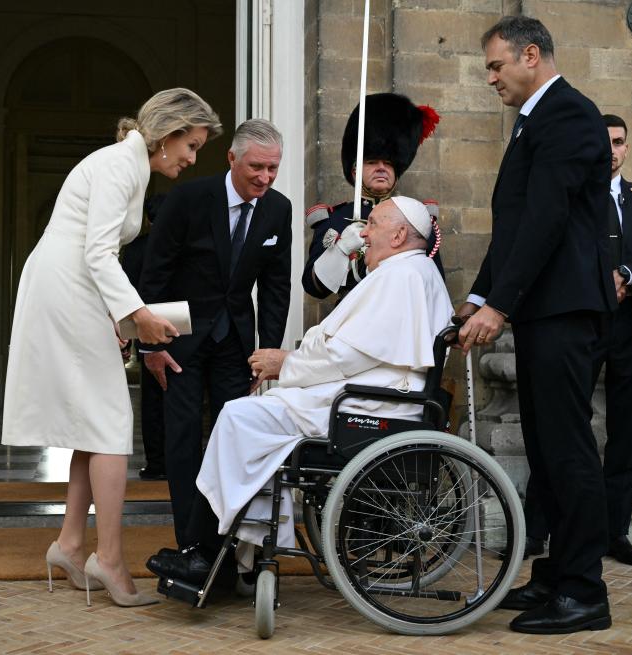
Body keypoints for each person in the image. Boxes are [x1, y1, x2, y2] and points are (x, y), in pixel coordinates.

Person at [145, 196, 453, 585]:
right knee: (252, 420)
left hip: (368, 406)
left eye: (372, 224)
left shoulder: (402, 276)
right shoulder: (410, 271)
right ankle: (236, 552)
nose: (362, 233)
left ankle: (207, 554)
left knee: (240, 417)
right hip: (370, 395)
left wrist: (286, 364)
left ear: (398, 234)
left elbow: (347, 353)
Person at [1, 88, 222, 606]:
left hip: (75, 284)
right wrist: (138, 316)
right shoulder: (121, 165)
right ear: (166, 138)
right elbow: (98, 252)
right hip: (69, 283)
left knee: (93, 422)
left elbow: (98, 256)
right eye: (191, 146)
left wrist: (122, 312)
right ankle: (111, 560)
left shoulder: (127, 165)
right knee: (111, 422)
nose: (191, 159)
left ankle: (72, 545)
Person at [456, 17, 616, 634]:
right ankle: (553, 576)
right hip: (545, 306)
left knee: (568, 447)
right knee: (547, 449)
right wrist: (478, 296)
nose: (490, 77)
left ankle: (585, 591)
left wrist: (502, 306)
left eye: (496, 66)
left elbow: (547, 219)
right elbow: (516, 224)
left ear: (531, 55)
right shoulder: (535, 120)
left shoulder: (571, 114)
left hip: (566, 308)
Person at [518, 114, 632, 567]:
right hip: (580, 325)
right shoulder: (574, 199)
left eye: (619, 142)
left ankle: (615, 532)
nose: (611, 150)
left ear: (627, 148)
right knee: (561, 426)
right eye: (604, 142)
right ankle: (536, 530)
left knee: (625, 435)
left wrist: (629, 274)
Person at [138, 119, 292, 548]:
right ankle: (190, 544)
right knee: (183, 441)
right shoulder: (187, 198)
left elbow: (276, 287)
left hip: (236, 346)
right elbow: (156, 274)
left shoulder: (278, 209)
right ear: (232, 159)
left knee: (234, 440)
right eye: (256, 167)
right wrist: (150, 345)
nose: (265, 177)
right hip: (180, 342)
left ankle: (227, 544)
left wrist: (270, 352)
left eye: (273, 168)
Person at [303, 93, 442, 301]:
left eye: (388, 163)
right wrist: (340, 251)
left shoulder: (415, 219)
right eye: (372, 162)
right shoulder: (335, 219)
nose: (381, 168)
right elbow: (314, 287)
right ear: (354, 171)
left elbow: (434, 283)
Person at [120, 194, 167, 481]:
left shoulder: (136, 248)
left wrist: (127, 336)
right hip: (181, 331)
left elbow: (126, 292)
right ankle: (181, 463)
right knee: (182, 402)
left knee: (152, 403)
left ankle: (157, 464)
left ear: (148, 219)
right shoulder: (184, 246)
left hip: (145, 330)